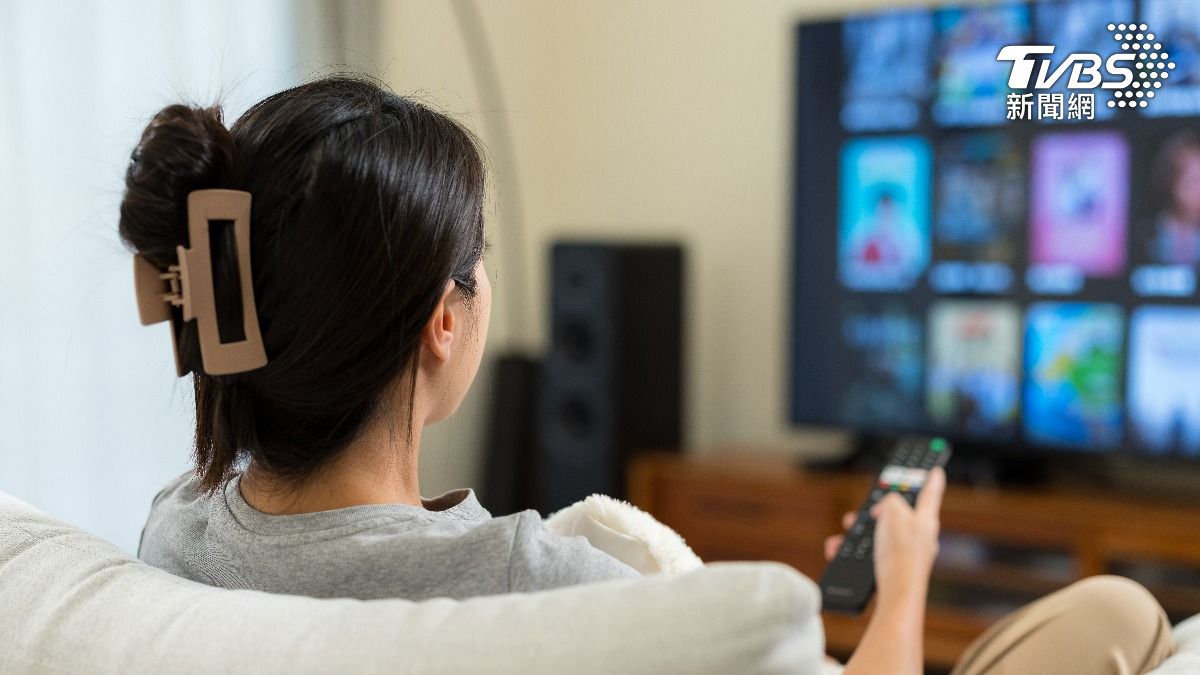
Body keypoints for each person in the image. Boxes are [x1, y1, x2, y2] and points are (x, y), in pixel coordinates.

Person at [127, 77, 1174, 674]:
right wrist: (902, 583)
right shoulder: (536, 586)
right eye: (480, 263)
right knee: (1121, 620)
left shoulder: (173, 535)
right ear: (444, 321)